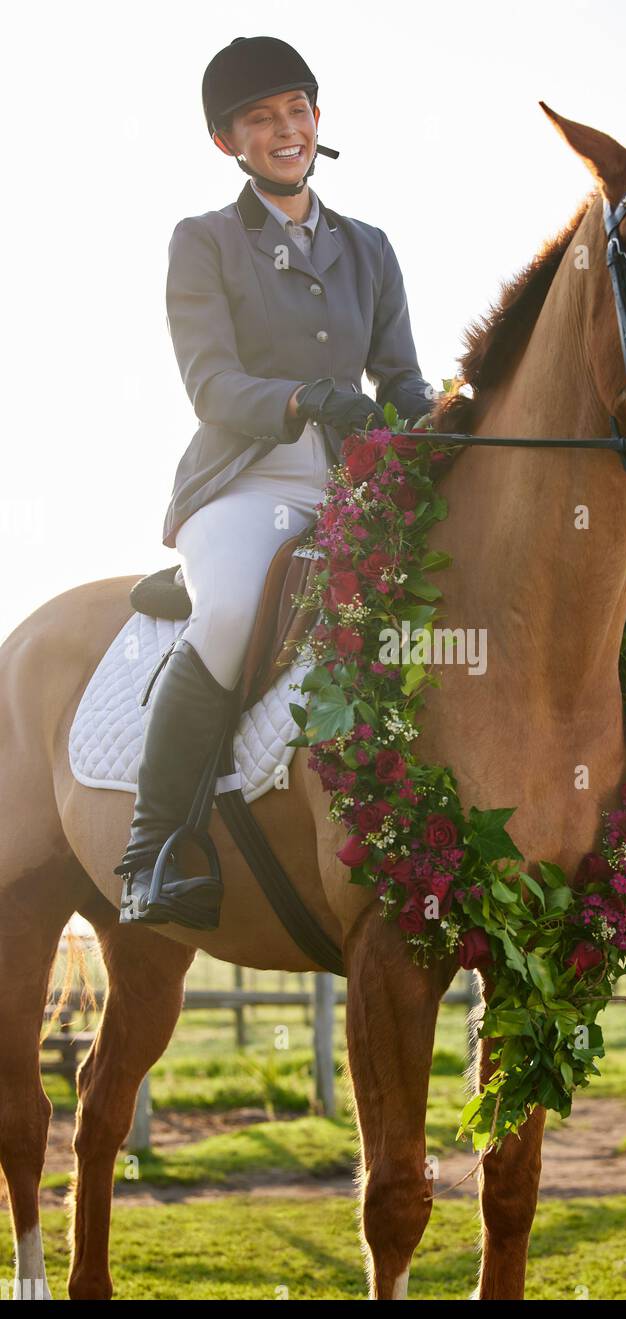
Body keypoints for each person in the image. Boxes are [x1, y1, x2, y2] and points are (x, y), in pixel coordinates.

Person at [113, 35, 436, 931]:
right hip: (244, 482)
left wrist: (434, 412)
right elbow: (208, 383)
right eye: (262, 118)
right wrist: (303, 397)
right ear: (231, 143)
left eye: (296, 109)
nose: (285, 128)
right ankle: (153, 849)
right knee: (224, 616)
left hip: (350, 486)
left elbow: (400, 377)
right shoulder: (205, 241)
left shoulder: (368, 247)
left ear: (317, 120)